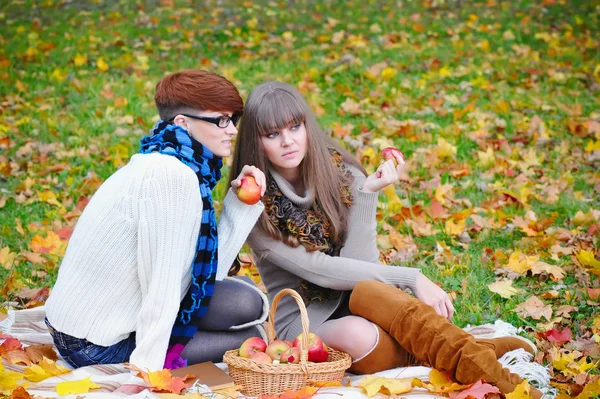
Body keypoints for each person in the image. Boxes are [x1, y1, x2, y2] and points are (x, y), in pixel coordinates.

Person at [229, 81, 543, 398]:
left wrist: (367, 195)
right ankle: (472, 350)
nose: (288, 141)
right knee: (358, 333)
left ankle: (499, 379)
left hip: (358, 294)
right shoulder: (255, 204)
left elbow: (361, 269)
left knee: (369, 290)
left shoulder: (340, 172)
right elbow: (321, 269)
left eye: (295, 127)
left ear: (306, 125)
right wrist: (411, 277)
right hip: (307, 316)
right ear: (256, 142)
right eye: (272, 134)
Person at [45, 70, 269, 372]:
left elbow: (202, 273)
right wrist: (148, 372)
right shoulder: (171, 178)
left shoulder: (166, 161)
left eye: (232, 119)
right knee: (251, 318)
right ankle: (249, 336)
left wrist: (239, 204)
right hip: (95, 346)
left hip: (84, 328)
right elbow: (162, 284)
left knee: (243, 293)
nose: (230, 130)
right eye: (220, 120)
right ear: (182, 123)